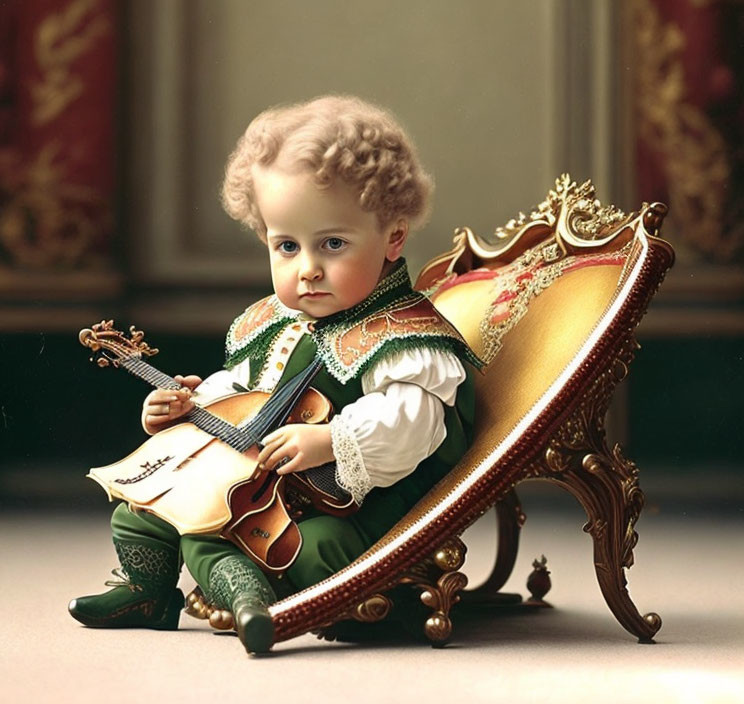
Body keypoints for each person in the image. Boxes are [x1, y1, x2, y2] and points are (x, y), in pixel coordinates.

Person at [68, 95, 481, 654]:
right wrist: (189, 405)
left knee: (296, 547)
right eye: (286, 246)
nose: (306, 268)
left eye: (332, 244)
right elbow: (245, 389)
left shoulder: (405, 338)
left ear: (394, 237)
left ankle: (247, 596)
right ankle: (147, 590)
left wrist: (331, 439)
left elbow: (413, 423)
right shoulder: (280, 319)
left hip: (359, 508)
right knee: (147, 508)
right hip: (274, 486)